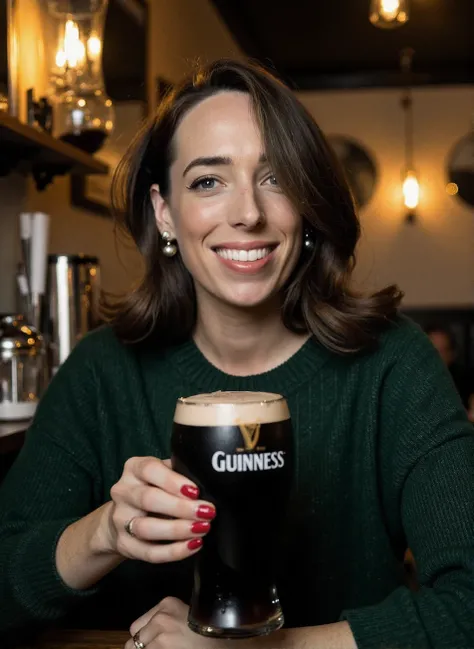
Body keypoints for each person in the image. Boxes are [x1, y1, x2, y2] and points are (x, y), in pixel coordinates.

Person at [0, 58, 473, 649]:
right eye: (207, 181)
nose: (247, 213)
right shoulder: (102, 371)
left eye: (276, 178)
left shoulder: (392, 364)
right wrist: (103, 533)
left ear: (306, 206)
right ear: (164, 211)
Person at [425, 324, 474, 420]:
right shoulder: (410, 380)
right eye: (432, 350)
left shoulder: (466, 379)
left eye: (442, 351)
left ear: (452, 354)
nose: (437, 357)